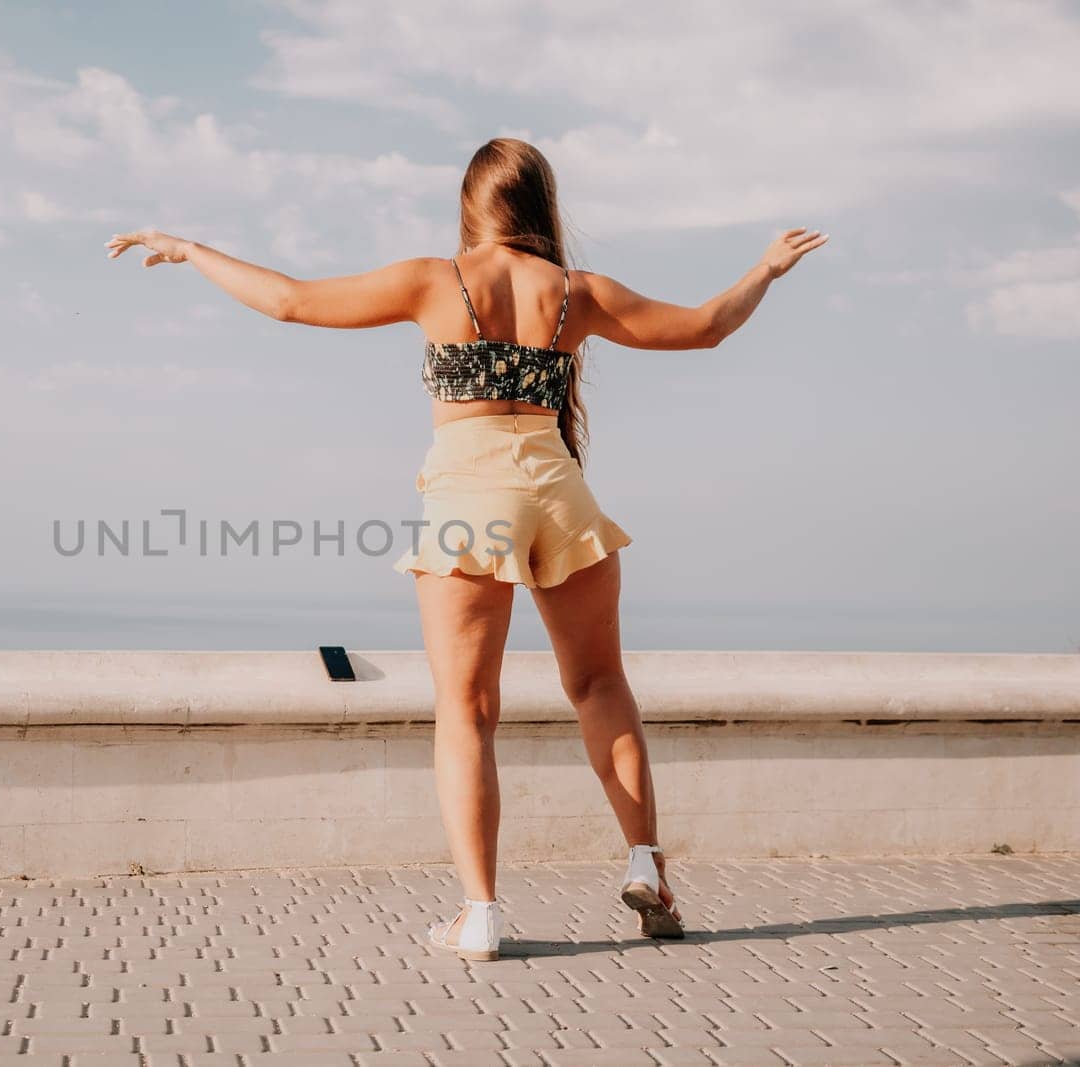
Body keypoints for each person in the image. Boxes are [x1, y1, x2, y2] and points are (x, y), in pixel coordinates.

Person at [105, 136, 828, 962]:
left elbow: (291, 301)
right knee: (599, 684)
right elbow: (704, 328)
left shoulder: (434, 279)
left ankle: (481, 910)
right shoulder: (576, 292)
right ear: (539, 206)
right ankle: (645, 864)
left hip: (467, 500)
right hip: (559, 493)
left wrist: (190, 248)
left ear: (471, 205)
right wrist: (764, 269)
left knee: (467, 709)